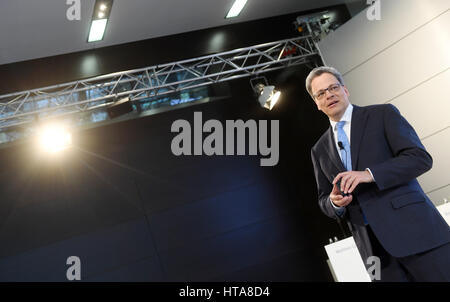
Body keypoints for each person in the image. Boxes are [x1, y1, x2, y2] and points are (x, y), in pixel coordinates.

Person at [307, 66, 450, 282]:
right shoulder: (318, 150)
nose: (329, 95)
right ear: (316, 103)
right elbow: (323, 199)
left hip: (418, 234)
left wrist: (369, 174)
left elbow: (419, 158)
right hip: (374, 254)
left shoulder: (382, 115)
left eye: (333, 87)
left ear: (346, 90)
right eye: (321, 93)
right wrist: (335, 203)